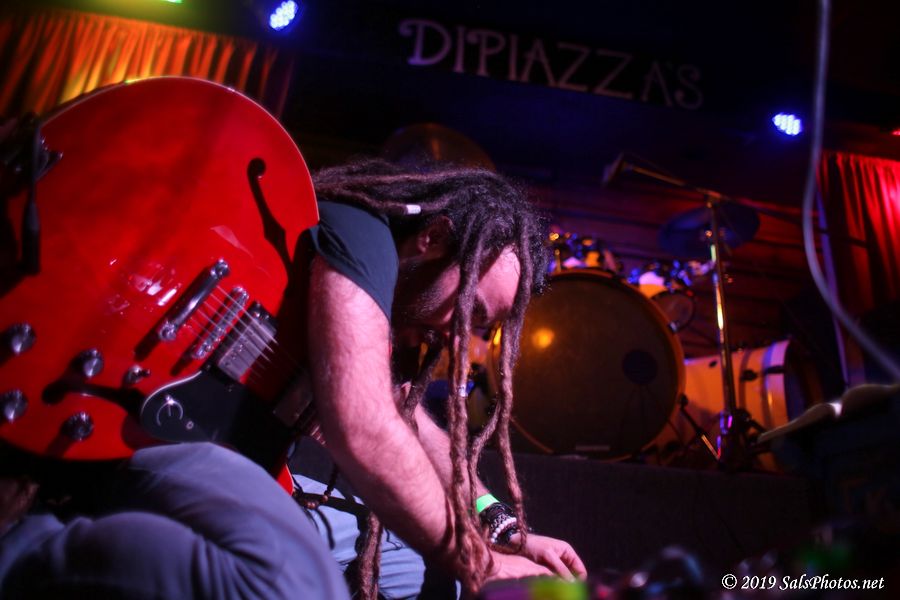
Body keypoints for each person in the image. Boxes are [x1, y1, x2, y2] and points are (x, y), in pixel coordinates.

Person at [297, 158, 587, 597]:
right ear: (433, 238)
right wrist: (483, 564)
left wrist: (500, 526)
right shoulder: (363, 235)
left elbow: (404, 416)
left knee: (421, 572)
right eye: (469, 309)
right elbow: (367, 428)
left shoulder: (391, 308)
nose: (457, 340)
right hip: (194, 454)